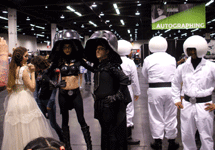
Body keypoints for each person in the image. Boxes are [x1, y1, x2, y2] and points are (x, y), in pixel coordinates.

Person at [84, 30, 132, 150]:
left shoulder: (111, 66)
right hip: (100, 104)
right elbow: (92, 69)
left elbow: (125, 79)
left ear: (108, 51)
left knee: (111, 134)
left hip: (109, 107)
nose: (97, 51)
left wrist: (116, 96)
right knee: (104, 133)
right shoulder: (99, 66)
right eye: (96, 49)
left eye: (100, 48)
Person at [47, 29, 93, 150]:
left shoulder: (78, 60)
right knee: (64, 121)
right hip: (63, 94)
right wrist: (54, 84)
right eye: (65, 47)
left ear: (72, 47)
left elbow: (92, 69)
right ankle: (67, 147)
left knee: (81, 119)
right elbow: (45, 74)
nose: (67, 49)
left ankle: (89, 147)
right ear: (61, 48)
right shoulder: (58, 61)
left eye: (69, 47)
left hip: (76, 93)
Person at [2, 46, 53, 150]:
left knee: (17, 128)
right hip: (24, 99)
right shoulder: (24, 70)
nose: (28, 57)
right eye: (26, 56)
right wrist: (33, 72)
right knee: (30, 126)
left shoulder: (12, 69)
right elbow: (32, 88)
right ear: (21, 58)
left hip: (14, 100)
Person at [172, 35, 215, 150]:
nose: (192, 52)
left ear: (201, 49)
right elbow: (175, 83)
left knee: (206, 135)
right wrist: (176, 99)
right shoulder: (183, 67)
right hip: (187, 104)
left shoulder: (211, 67)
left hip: (205, 105)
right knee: (186, 134)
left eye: (194, 49)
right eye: (189, 49)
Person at [141, 36, 179, 150]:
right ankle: (172, 141)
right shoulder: (171, 58)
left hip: (155, 89)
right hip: (171, 89)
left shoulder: (148, 59)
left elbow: (144, 74)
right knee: (171, 115)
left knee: (155, 115)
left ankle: (158, 142)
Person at [31, 56, 63, 142]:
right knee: (42, 123)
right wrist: (36, 100)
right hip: (40, 101)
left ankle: (63, 139)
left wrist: (50, 103)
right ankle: (44, 142)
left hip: (48, 101)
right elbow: (36, 88)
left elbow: (54, 88)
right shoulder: (38, 73)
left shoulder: (51, 71)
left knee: (53, 124)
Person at [117, 39, 141, 145]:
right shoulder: (130, 62)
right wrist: (137, 92)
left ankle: (117, 136)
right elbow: (134, 79)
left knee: (116, 110)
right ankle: (128, 136)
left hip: (114, 89)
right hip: (127, 88)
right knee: (128, 110)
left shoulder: (113, 61)